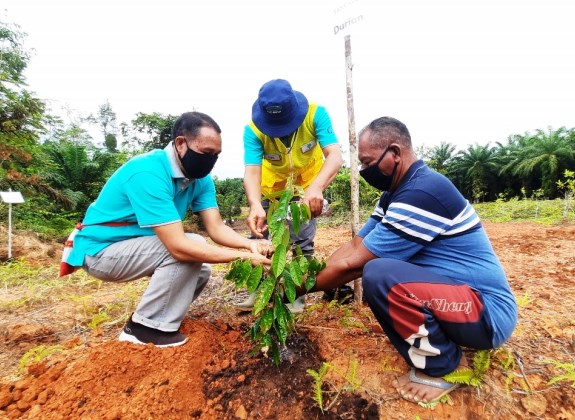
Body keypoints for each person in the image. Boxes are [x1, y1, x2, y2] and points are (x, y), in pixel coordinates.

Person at [304, 116, 517, 403]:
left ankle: (443, 367)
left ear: (394, 152)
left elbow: (354, 264)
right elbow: (355, 245)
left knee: (378, 274)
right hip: (459, 300)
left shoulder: (422, 192)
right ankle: (443, 344)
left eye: (368, 163)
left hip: (487, 313)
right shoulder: (393, 196)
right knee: (376, 269)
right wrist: (311, 272)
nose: (365, 170)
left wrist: (296, 288)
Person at [60, 111, 271, 347]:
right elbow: (179, 247)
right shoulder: (147, 172)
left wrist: (249, 243)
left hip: (134, 248)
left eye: (216, 155)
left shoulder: (200, 179)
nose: (210, 161)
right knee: (192, 246)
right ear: (181, 143)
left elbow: (217, 227)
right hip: (101, 252)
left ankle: (164, 319)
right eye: (206, 153)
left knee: (200, 271)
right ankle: (143, 328)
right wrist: (242, 257)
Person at [237, 78, 347, 313]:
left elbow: (334, 155)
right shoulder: (253, 129)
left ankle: (296, 293)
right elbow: (252, 170)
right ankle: (258, 292)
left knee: (302, 239)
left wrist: (316, 187)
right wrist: (255, 203)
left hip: (307, 186)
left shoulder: (316, 115)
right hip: (270, 187)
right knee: (261, 238)